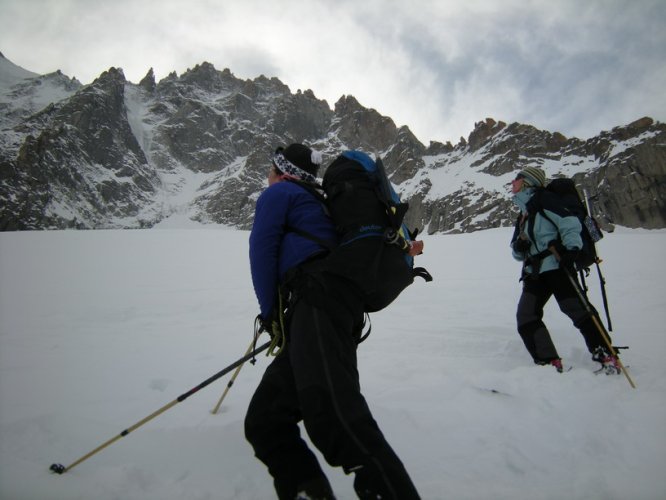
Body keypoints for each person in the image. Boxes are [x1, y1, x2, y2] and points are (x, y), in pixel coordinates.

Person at [245, 143, 421, 500]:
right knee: (266, 420)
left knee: (336, 417)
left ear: (281, 172)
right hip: (324, 308)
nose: (268, 178)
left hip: (318, 301)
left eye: (270, 171)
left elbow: (262, 249)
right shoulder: (320, 204)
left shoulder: (281, 193)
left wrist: (269, 317)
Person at [509, 166, 620, 373]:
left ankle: (606, 355)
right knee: (526, 317)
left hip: (557, 265)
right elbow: (515, 252)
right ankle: (548, 362)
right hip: (534, 272)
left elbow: (569, 223)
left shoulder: (544, 200)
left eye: (517, 178)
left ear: (528, 182)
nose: (512, 182)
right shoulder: (523, 213)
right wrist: (519, 247)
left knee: (578, 311)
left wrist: (572, 250)